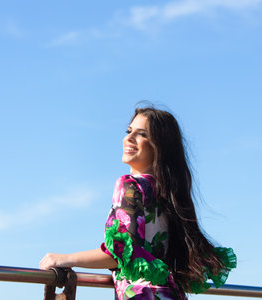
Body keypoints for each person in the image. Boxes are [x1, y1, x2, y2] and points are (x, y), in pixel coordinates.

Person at [39, 105, 236, 300]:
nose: (129, 138)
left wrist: (64, 259)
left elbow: (122, 253)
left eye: (142, 134)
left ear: (159, 146)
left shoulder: (129, 185)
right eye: (129, 131)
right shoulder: (168, 192)